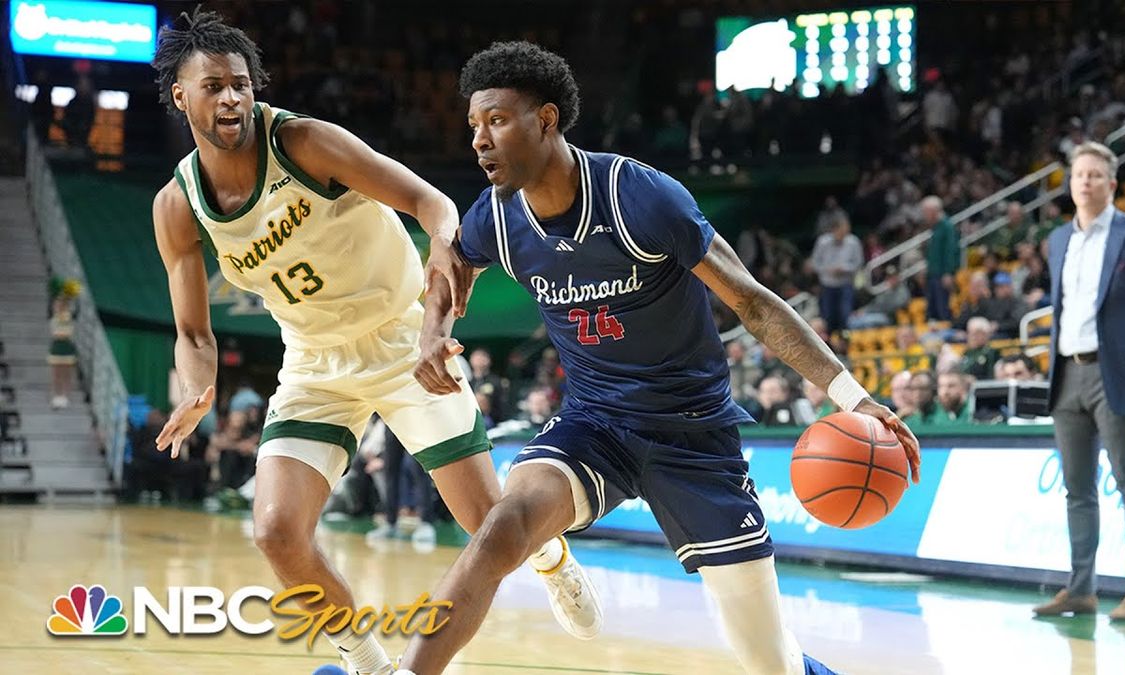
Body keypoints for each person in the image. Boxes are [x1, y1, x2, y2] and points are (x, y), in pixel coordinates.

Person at [403, 41, 920, 675]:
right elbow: (450, 260)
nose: (480, 140)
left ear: (545, 120)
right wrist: (433, 328)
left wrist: (854, 397)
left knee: (768, 663)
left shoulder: (638, 196)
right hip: (595, 425)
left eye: (497, 121)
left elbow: (753, 303)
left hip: (692, 435)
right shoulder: (500, 218)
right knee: (500, 527)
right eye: (474, 126)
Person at [146, 13, 598, 675]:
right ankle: (368, 662)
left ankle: (554, 557)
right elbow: (193, 332)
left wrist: (445, 263)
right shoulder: (178, 205)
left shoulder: (301, 142)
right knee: (275, 529)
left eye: (240, 83)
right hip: (313, 361)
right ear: (180, 96)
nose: (232, 97)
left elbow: (428, 200)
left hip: (398, 338)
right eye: (213, 86)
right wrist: (197, 384)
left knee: (488, 526)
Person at [1034, 142, 1125, 622]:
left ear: (1112, 184)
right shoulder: (1058, 240)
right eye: (1079, 174)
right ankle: (1081, 589)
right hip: (1066, 374)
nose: (1085, 182)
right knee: (1077, 489)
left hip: (1116, 374)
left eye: (1095, 175)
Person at [811, 213, 863, 332]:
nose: (845, 233)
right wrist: (827, 270)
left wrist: (845, 269)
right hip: (827, 284)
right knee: (828, 316)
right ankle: (829, 343)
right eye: (842, 230)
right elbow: (815, 262)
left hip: (846, 283)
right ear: (834, 229)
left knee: (846, 315)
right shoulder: (822, 242)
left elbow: (859, 263)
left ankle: (845, 341)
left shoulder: (853, 242)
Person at [923, 195, 959, 322]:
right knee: (931, 311)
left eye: (925, 211)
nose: (924, 215)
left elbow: (951, 251)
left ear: (933, 211)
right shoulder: (936, 227)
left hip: (942, 275)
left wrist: (949, 272)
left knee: (943, 309)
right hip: (933, 274)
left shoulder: (947, 226)